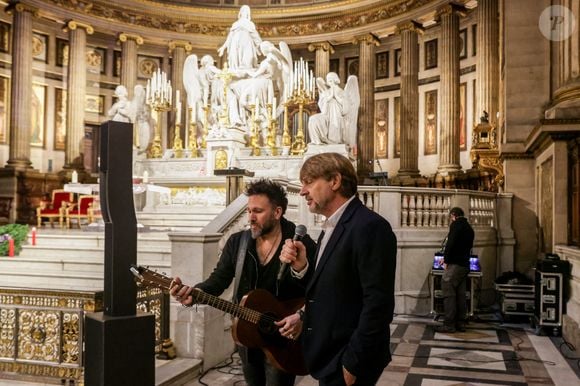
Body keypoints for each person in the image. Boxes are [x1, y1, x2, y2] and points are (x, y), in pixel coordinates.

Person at [170, 179, 317, 386]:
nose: (251, 217)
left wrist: (301, 316)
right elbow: (218, 280)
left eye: (257, 211)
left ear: (277, 212)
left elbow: (317, 287)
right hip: (246, 335)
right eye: (248, 211)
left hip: (284, 337)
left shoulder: (299, 242)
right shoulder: (238, 242)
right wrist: (193, 293)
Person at [279, 152, 397, 386]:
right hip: (330, 353)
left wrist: (352, 364)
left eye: (309, 182)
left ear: (334, 181)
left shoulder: (369, 227)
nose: (302, 191)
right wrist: (302, 268)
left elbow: (378, 305)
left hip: (348, 358)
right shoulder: (332, 226)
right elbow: (334, 290)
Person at [435, 207, 475, 333]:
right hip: (464, 264)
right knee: (460, 294)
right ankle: (461, 322)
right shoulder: (469, 228)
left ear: (453, 215)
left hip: (455, 264)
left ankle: (449, 324)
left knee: (447, 288)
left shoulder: (456, 225)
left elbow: (450, 244)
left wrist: (446, 260)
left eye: (450, 218)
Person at [218, 5, 262, 70]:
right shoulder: (235, 24)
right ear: (240, 12)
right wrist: (223, 47)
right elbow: (230, 38)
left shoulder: (250, 24)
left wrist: (261, 46)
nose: (245, 12)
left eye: (247, 11)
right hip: (235, 43)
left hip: (246, 42)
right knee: (235, 59)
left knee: (247, 60)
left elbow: (255, 36)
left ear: (248, 14)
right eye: (243, 10)